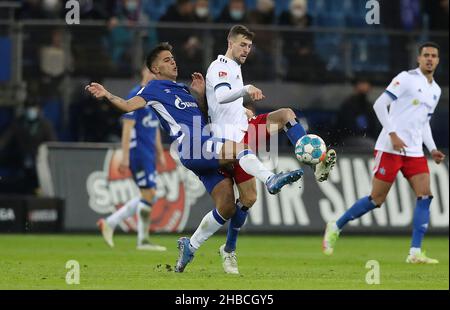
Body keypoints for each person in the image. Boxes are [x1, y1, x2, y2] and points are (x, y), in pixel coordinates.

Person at [85, 42, 305, 273]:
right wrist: (107, 95)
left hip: (200, 148)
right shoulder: (152, 89)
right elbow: (128, 106)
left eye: (173, 58)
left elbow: (202, 116)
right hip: (193, 145)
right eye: (167, 59)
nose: (173, 61)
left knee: (227, 207)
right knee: (240, 149)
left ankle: (190, 246)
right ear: (155, 69)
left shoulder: (182, 89)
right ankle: (270, 179)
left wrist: (199, 94)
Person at [205, 25, 337, 274]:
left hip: (246, 129)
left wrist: (242, 109)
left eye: (249, 46)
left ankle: (316, 161)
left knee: (286, 114)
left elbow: (222, 104)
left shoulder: (234, 68)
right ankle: (229, 250)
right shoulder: (220, 66)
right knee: (248, 199)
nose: (246, 50)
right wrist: (246, 90)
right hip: (230, 143)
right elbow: (221, 96)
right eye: (242, 44)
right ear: (230, 42)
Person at [322, 42, 446, 264]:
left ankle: (415, 252)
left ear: (438, 60)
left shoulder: (435, 90)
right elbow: (380, 104)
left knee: (425, 196)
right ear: (418, 59)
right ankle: (336, 225)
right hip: (391, 148)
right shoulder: (406, 78)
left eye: (433, 56)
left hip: (415, 152)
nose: (429, 59)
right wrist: (393, 134)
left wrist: (433, 148)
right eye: (425, 55)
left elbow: (424, 122)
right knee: (376, 199)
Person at [97, 66, 167, 251]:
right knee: (149, 193)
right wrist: (125, 157)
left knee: (148, 194)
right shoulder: (135, 94)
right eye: (152, 71)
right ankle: (140, 239)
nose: (155, 75)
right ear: (144, 71)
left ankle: (111, 223)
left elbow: (155, 127)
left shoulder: (154, 95)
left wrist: (160, 153)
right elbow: (127, 127)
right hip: (138, 153)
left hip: (149, 152)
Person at [334, 78, 380, 147]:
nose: (364, 86)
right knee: (371, 145)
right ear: (356, 86)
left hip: (368, 138)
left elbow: (373, 127)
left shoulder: (369, 106)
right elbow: (345, 127)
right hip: (350, 139)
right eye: (361, 84)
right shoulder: (348, 105)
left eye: (366, 84)